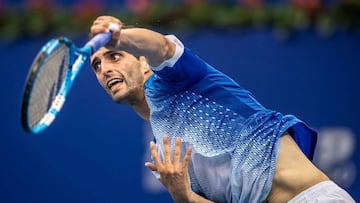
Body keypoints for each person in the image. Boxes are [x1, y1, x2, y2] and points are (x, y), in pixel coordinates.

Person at [89, 16, 355, 203]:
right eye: (97, 65)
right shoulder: (165, 155)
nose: (105, 69)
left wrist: (121, 38)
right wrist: (186, 197)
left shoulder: (176, 81)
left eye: (115, 56)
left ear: (145, 64)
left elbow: (164, 47)